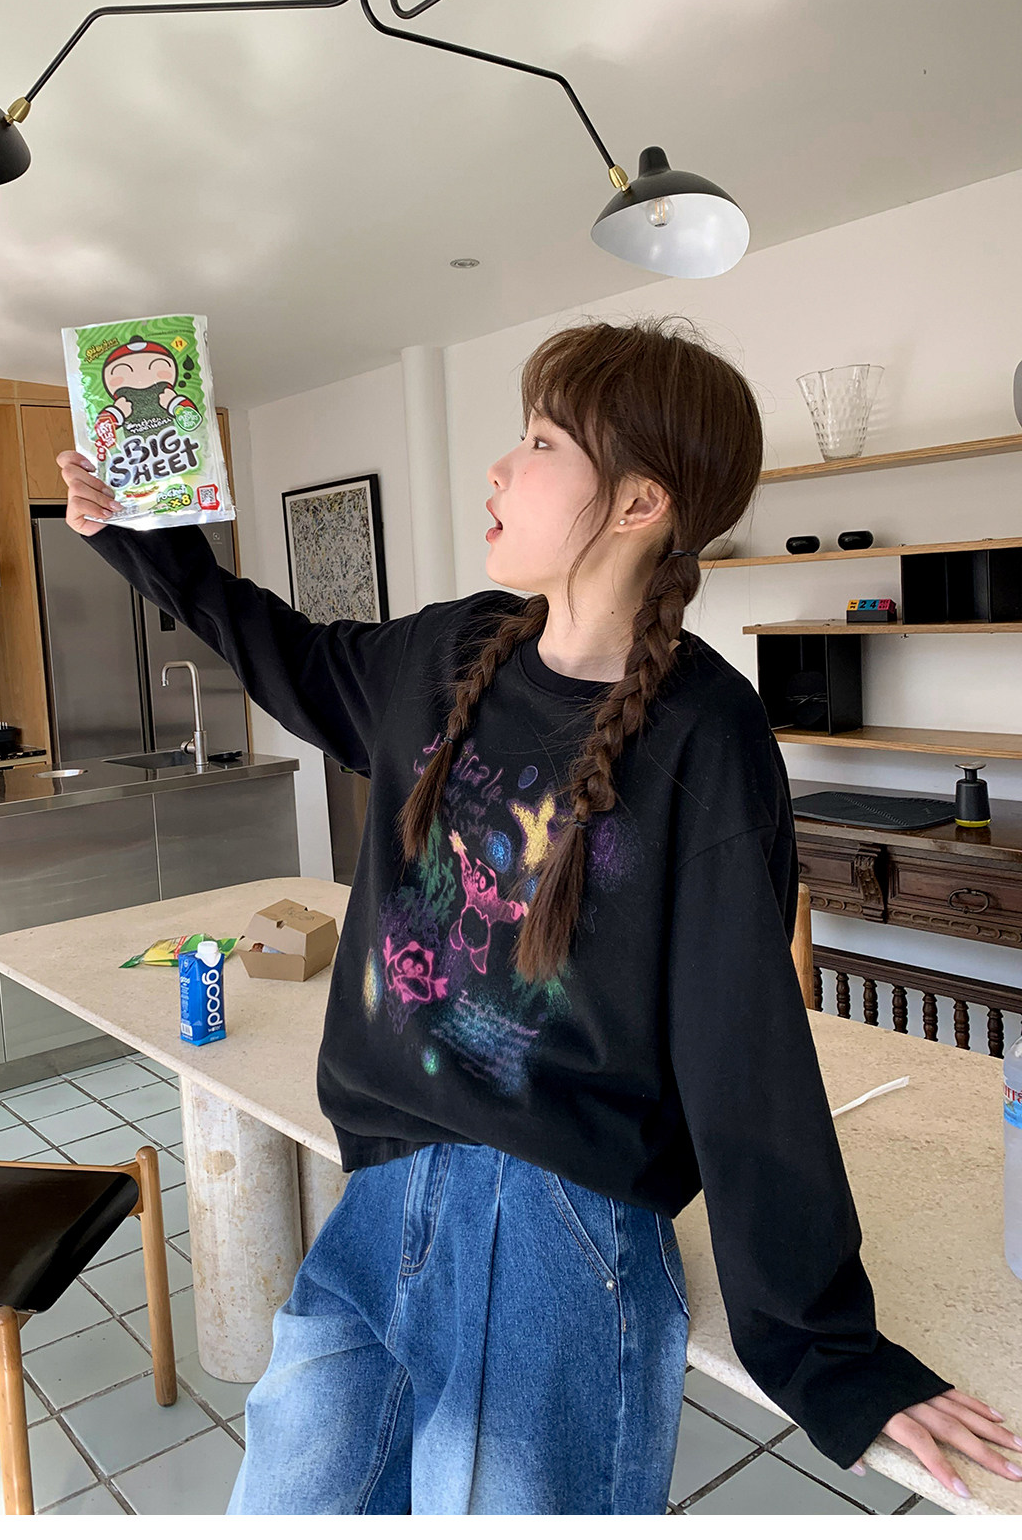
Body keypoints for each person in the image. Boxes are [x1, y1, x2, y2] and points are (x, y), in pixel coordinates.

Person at [58, 315, 1021, 1516]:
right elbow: (283, 652)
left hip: (558, 1227)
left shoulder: (704, 735)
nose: (500, 469)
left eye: (542, 443)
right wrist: (143, 531)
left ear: (640, 504)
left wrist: (828, 1349)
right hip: (381, 1201)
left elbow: (742, 1045)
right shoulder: (448, 651)